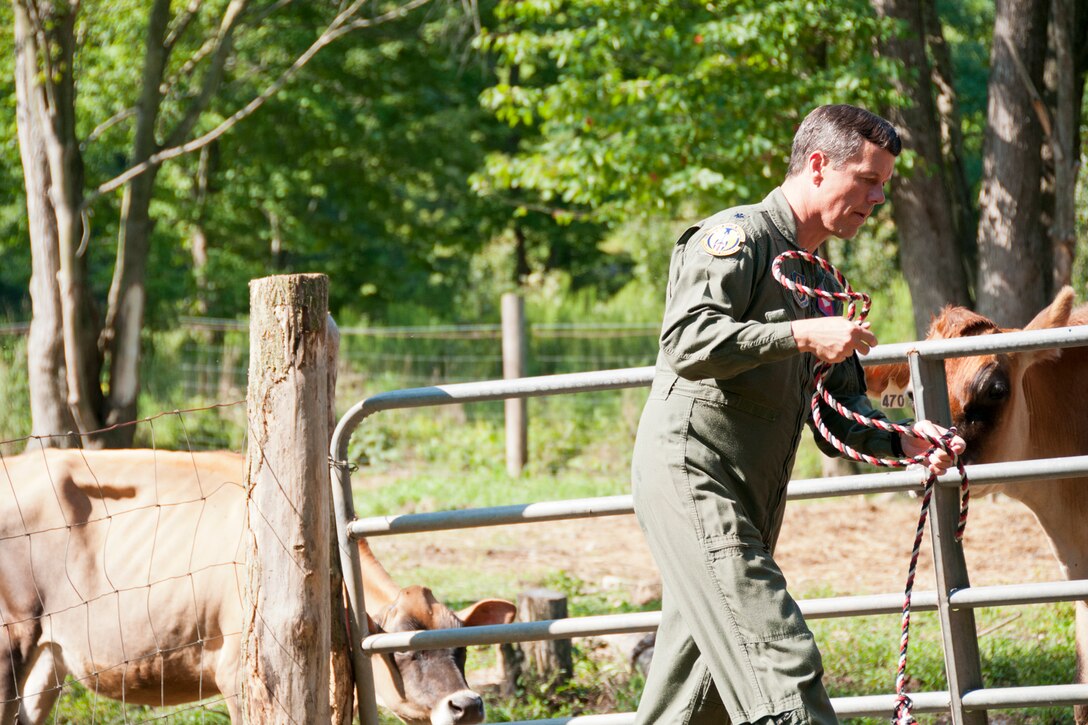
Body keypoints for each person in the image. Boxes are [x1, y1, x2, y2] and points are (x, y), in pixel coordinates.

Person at [630, 104, 966, 724]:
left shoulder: (824, 283)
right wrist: (799, 336)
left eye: (885, 184)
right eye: (868, 179)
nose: (878, 197)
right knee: (781, 663)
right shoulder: (737, 238)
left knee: (694, 699)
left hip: (747, 496)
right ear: (817, 165)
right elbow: (686, 342)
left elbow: (838, 417)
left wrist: (904, 440)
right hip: (694, 478)